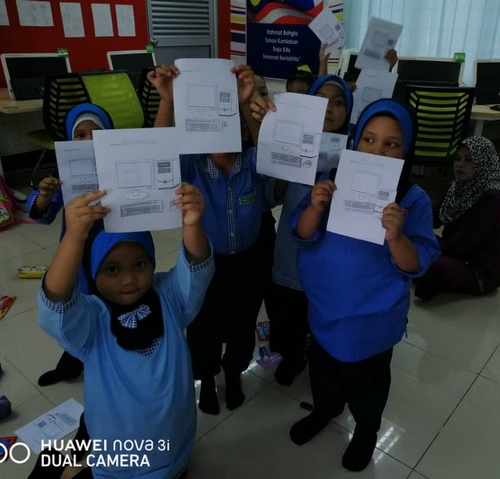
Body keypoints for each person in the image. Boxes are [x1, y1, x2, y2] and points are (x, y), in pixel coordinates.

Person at [289, 99, 440, 471]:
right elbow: (302, 233)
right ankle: (325, 410)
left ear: (406, 150)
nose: (377, 151)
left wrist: (396, 236)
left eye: (392, 144)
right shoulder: (332, 181)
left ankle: (366, 431)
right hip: (325, 312)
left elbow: (417, 263)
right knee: (323, 372)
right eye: (369, 140)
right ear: (355, 141)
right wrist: (315, 208)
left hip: (373, 323)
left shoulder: (412, 200)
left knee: (367, 386)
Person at [35, 186, 214, 479]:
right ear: (94, 272)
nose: (129, 279)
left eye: (140, 264)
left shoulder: (169, 296)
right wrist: (74, 237)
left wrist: (192, 224)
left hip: (175, 450)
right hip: (119, 462)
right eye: (112, 269)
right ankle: (63, 465)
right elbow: (56, 304)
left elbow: (197, 269)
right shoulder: (91, 319)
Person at [149, 63, 279, 415]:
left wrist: (246, 102)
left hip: (248, 261)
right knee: (203, 326)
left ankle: (234, 372)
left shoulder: (253, 162)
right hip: (205, 263)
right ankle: (206, 378)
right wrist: (167, 101)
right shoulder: (191, 165)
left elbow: (270, 156)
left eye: (231, 122)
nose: (220, 132)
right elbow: (159, 153)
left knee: (242, 323)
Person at [250, 74, 353, 386]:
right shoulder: (295, 145)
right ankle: (290, 356)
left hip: (328, 263)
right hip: (290, 257)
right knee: (286, 314)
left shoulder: (354, 156)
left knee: (319, 317)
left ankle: (313, 353)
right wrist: (286, 166)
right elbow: (271, 196)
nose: (329, 108)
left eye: (338, 102)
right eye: (321, 100)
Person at [26, 103, 114, 387]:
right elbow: (42, 214)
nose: (88, 141)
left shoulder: (120, 165)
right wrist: (44, 196)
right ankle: (73, 358)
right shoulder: (64, 173)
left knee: (114, 298)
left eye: (96, 133)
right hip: (79, 249)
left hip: (114, 246)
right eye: (80, 135)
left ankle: (112, 356)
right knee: (78, 300)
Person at [414, 136, 500, 300]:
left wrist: (428, 249)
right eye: (457, 159)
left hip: (478, 269)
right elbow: (432, 217)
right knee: (407, 240)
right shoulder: (456, 187)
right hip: (453, 253)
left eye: (469, 160)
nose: (460, 164)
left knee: (433, 265)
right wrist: (407, 219)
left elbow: (463, 243)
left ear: (484, 163)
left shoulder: (493, 199)